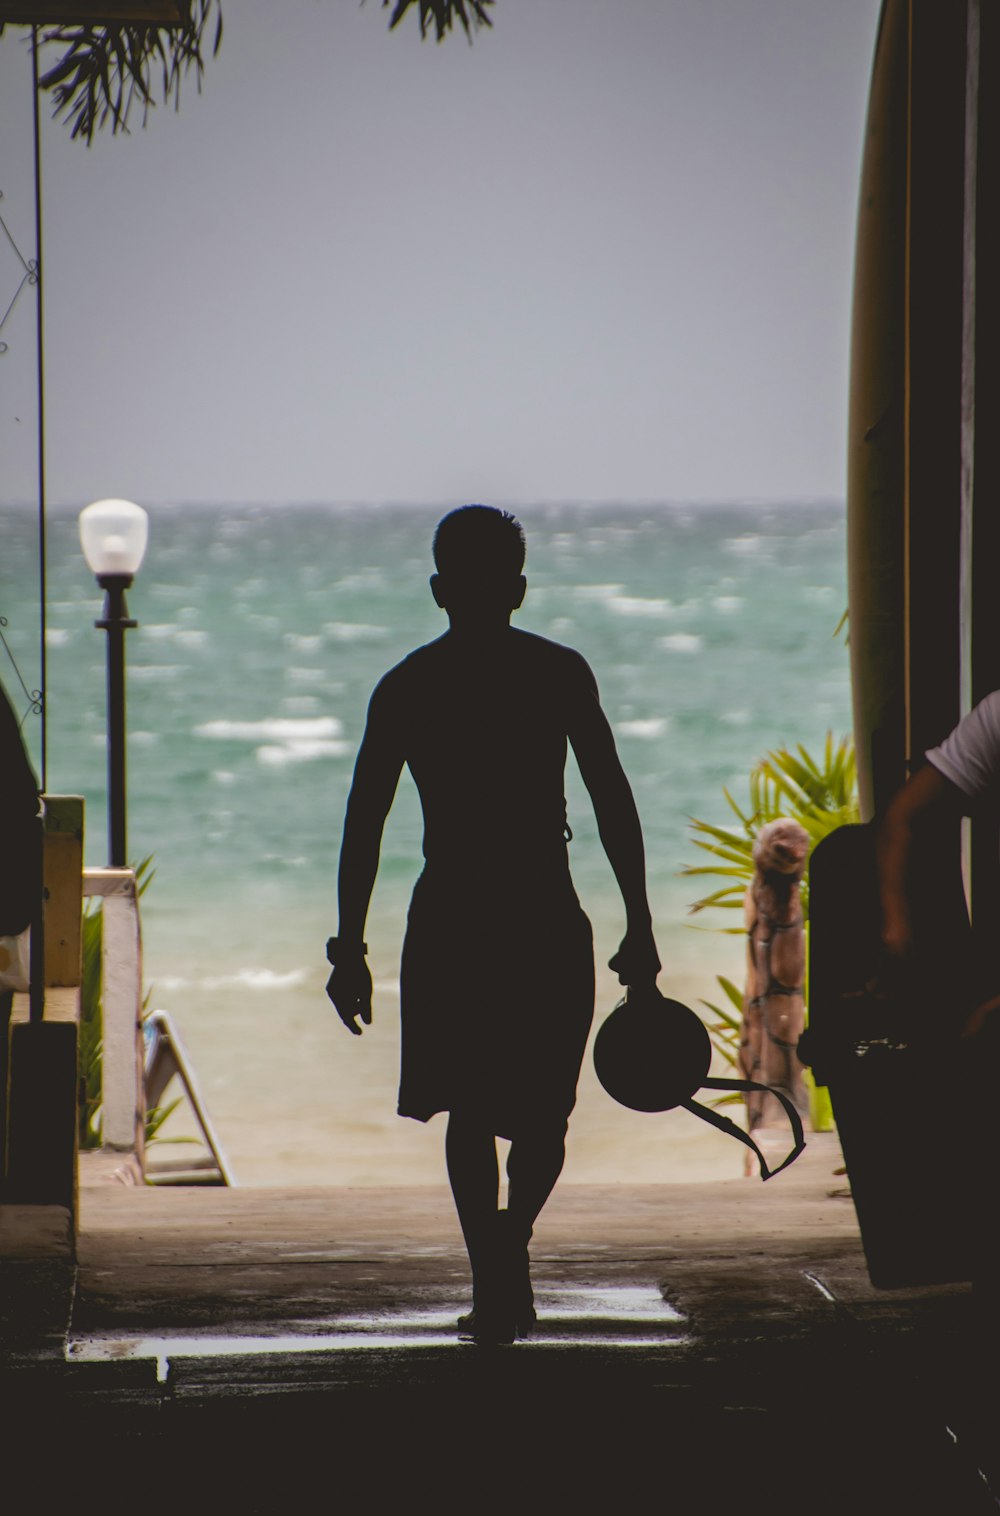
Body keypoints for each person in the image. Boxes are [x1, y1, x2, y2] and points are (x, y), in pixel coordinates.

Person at [326, 505, 661, 1344]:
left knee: (483, 1111)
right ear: (517, 587)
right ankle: (503, 1260)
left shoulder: (408, 684)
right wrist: (640, 922)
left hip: (455, 920)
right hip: (540, 911)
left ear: (441, 589)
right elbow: (611, 803)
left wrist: (350, 948)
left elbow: (363, 823)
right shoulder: (556, 672)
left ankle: (500, 1255)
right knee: (538, 1111)